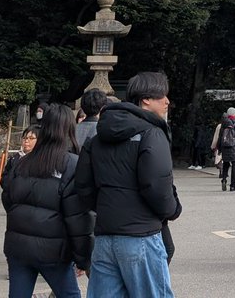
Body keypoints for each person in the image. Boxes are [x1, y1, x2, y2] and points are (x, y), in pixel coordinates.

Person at [76, 70, 179, 298]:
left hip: (105, 236)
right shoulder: (152, 134)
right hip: (141, 235)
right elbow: (156, 186)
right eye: (162, 96)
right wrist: (173, 210)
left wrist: (106, 207)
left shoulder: (97, 138)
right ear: (146, 99)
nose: (167, 101)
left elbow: (83, 186)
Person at [1, 104, 93, 298]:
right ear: (69, 128)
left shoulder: (21, 162)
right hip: (53, 249)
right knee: (69, 295)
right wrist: (83, 258)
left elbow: (8, 199)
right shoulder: (71, 164)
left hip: (18, 245)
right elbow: (77, 217)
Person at [210, 110, 235, 192]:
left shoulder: (223, 124)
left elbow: (220, 137)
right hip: (234, 147)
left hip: (225, 147)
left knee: (225, 164)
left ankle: (224, 179)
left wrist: (219, 148)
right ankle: (233, 185)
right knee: (234, 166)